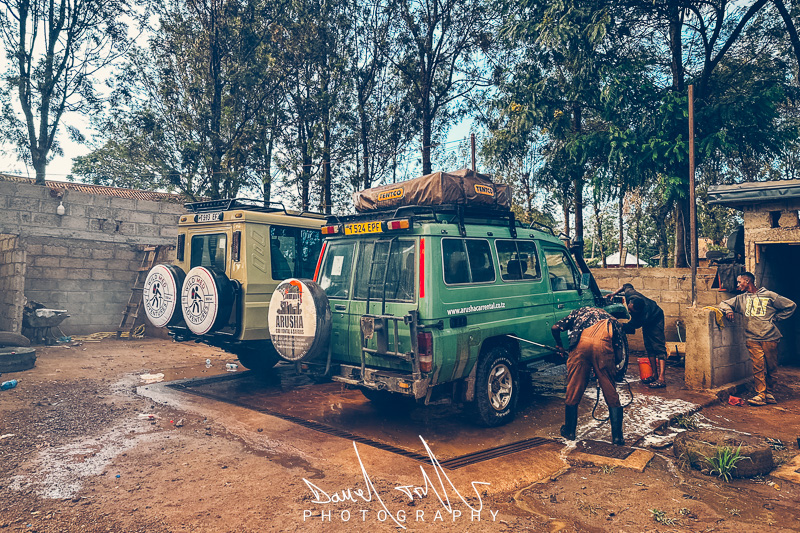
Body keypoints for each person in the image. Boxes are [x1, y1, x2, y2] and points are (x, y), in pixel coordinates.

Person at [718, 272, 796, 406]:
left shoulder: (769, 295)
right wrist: (728, 311)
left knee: (771, 367)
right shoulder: (741, 298)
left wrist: (777, 318)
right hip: (752, 338)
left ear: (747, 281)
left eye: (739, 282)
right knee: (758, 366)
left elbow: (791, 305)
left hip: (770, 337)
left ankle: (769, 392)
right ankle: (760, 394)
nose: (738, 285)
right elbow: (723, 303)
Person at [551, 307, 625, 446]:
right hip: (603, 344)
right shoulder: (613, 321)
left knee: (574, 387)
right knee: (609, 389)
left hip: (581, 346)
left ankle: (570, 431)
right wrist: (606, 369)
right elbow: (619, 355)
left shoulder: (578, 313)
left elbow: (555, 327)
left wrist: (559, 345)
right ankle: (617, 438)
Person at [610, 283, 668, 388]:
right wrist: (613, 294)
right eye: (629, 309)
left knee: (659, 348)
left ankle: (661, 379)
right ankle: (654, 375)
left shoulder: (642, 316)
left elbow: (630, 327)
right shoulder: (631, 294)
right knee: (649, 347)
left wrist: (617, 324)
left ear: (638, 312)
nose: (629, 312)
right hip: (647, 320)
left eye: (632, 312)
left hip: (656, 318)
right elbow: (626, 285)